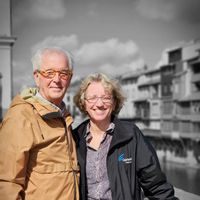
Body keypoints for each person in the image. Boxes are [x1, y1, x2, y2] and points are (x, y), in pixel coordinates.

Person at [73, 73, 178, 200]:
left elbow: (155, 184)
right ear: (83, 103)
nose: (99, 103)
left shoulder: (131, 135)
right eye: (92, 98)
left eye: (106, 98)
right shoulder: (75, 138)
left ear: (114, 102)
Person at [0, 47, 80, 199]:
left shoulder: (63, 116)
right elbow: (6, 182)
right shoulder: (21, 116)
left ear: (70, 78)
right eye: (49, 73)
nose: (56, 79)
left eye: (63, 73)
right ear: (37, 77)